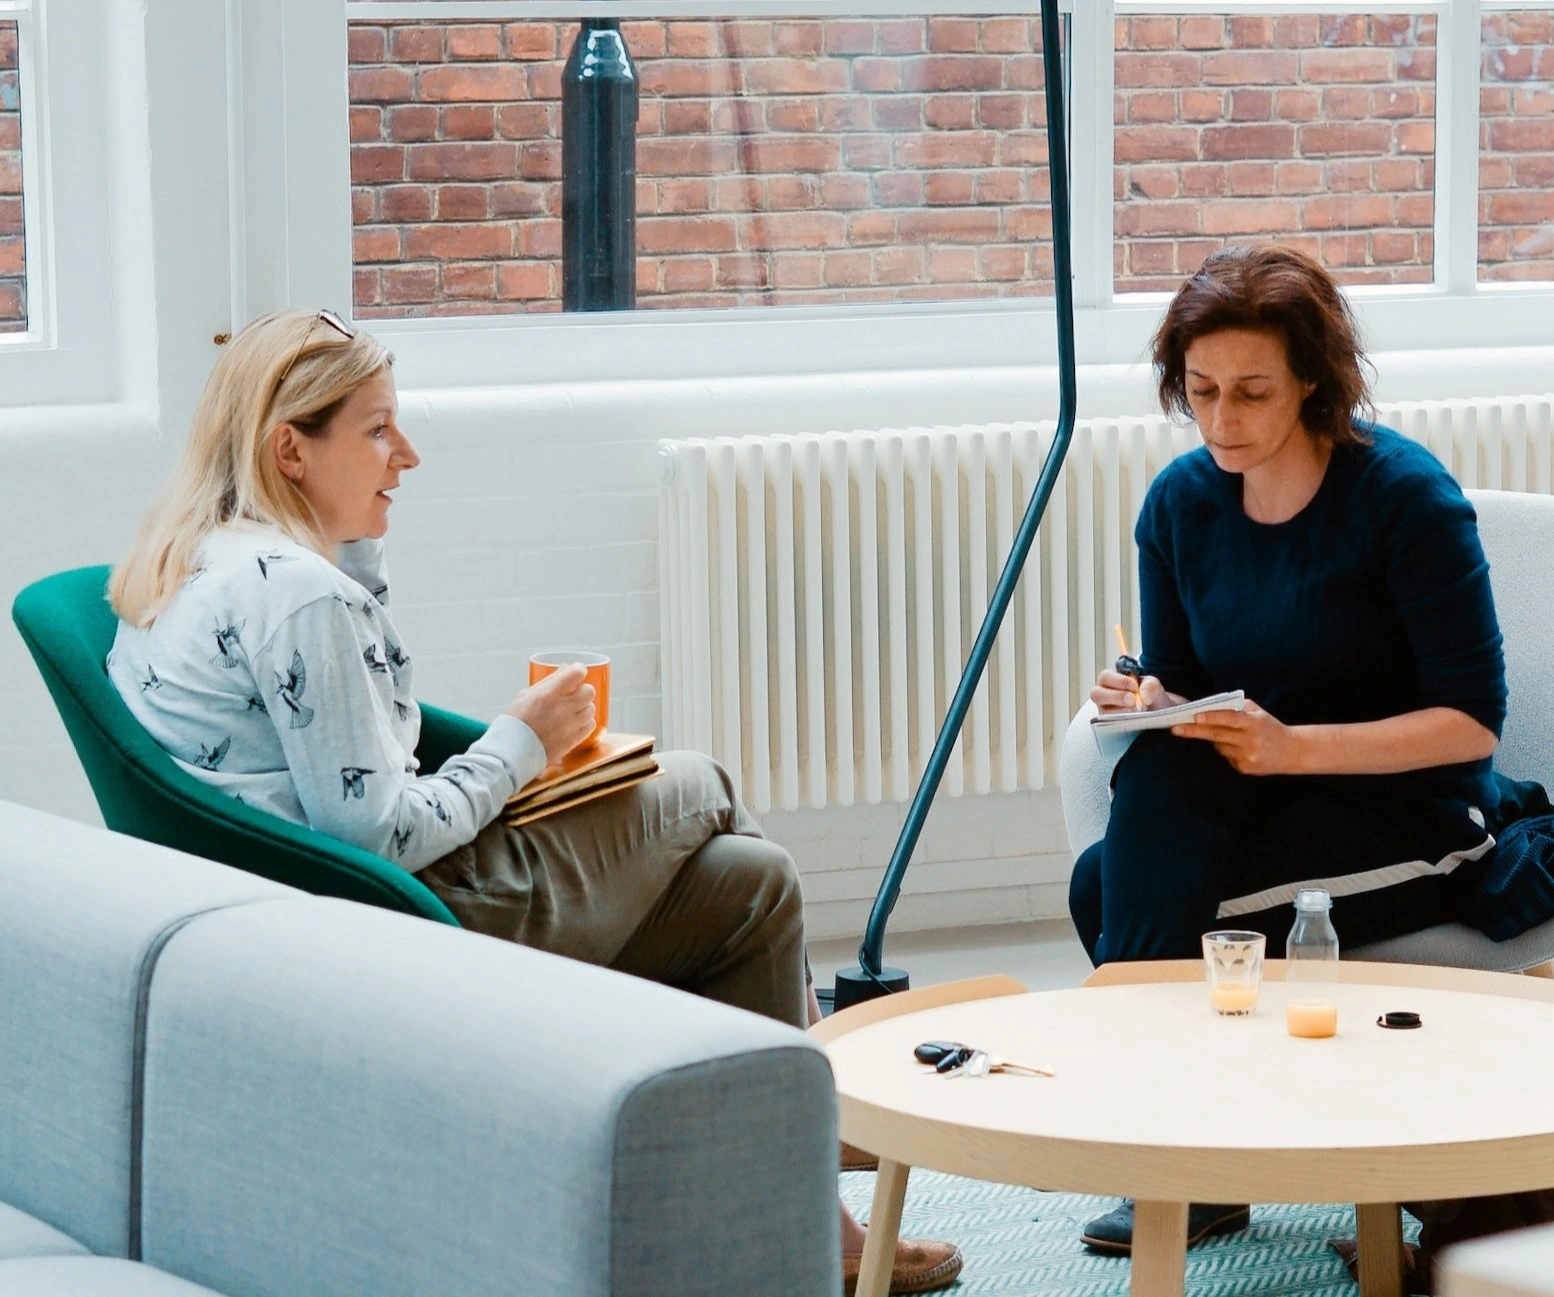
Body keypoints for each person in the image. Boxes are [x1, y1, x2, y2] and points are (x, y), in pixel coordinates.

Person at [107, 309, 961, 1297]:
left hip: (319, 916)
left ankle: (806, 1220)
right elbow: (374, 830)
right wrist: (522, 740)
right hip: (409, 920)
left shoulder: (210, 560)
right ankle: (832, 1123)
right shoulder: (304, 598)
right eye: (379, 429)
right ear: (289, 448)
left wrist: (371, 571)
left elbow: (355, 757)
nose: (408, 455)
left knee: (751, 883)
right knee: (701, 781)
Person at [1069, 246, 1509, 1256]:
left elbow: (1471, 721)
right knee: (1130, 831)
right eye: (1201, 390)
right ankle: (1190, 1151)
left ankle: (1173, 1149)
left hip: (1414, 813)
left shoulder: (1402, 498)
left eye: (1252, 391)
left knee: (1110, 891)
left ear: (1312, 378)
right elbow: (1180, 681)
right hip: (1264, 796)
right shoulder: (1180, 503)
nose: (1222, 419)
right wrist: (1146, 697)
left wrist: (1290, 748)